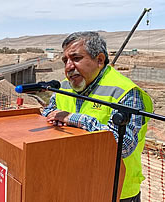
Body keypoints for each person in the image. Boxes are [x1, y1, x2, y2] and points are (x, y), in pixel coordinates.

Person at [42, 31, 153, 201]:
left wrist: (72, 119)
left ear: (99, 60)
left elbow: (122, 145)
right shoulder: (63, 87)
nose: (68, 67)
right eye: (65, 61)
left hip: (117, 191)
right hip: (75, 183)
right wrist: (58, 119)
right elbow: (48, 112)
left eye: (76, 58)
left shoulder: (126, 92)